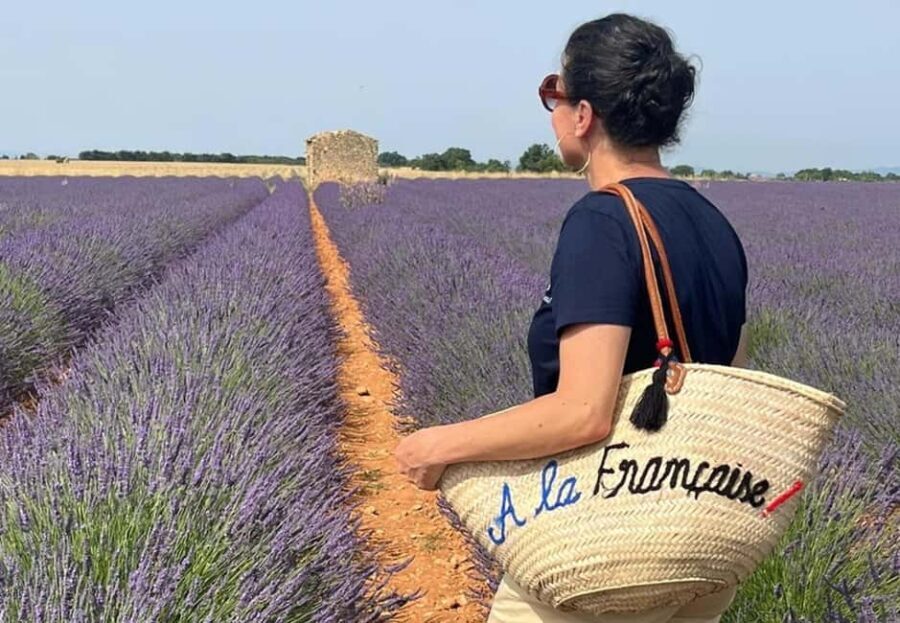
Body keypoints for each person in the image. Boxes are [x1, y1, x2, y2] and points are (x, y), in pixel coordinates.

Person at [394, 12, 749, 623]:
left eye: (553, 96)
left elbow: (582, 410)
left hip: (609, 540)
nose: (553, 114)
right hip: (701, 545)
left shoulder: (603, 221)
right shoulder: (713, 222)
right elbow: (728, 379)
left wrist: (439, 445)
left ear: (584, 115)